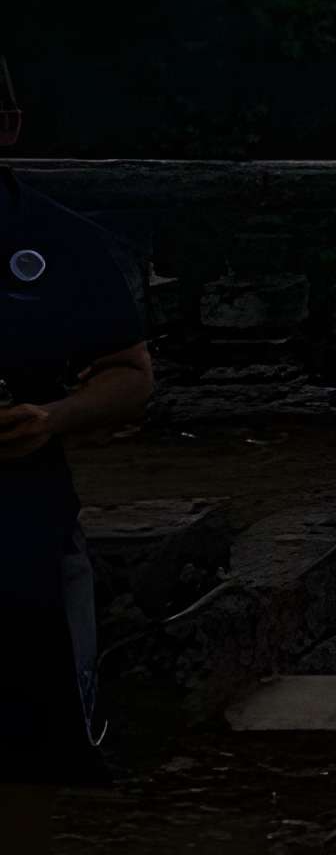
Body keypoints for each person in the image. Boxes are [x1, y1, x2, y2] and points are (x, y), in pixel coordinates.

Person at [0, 95, 156, 782]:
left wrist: (53, 417)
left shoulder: (58, 239)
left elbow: (130, 374)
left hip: (25, 527)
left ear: (9, 121)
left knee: (48, 758)